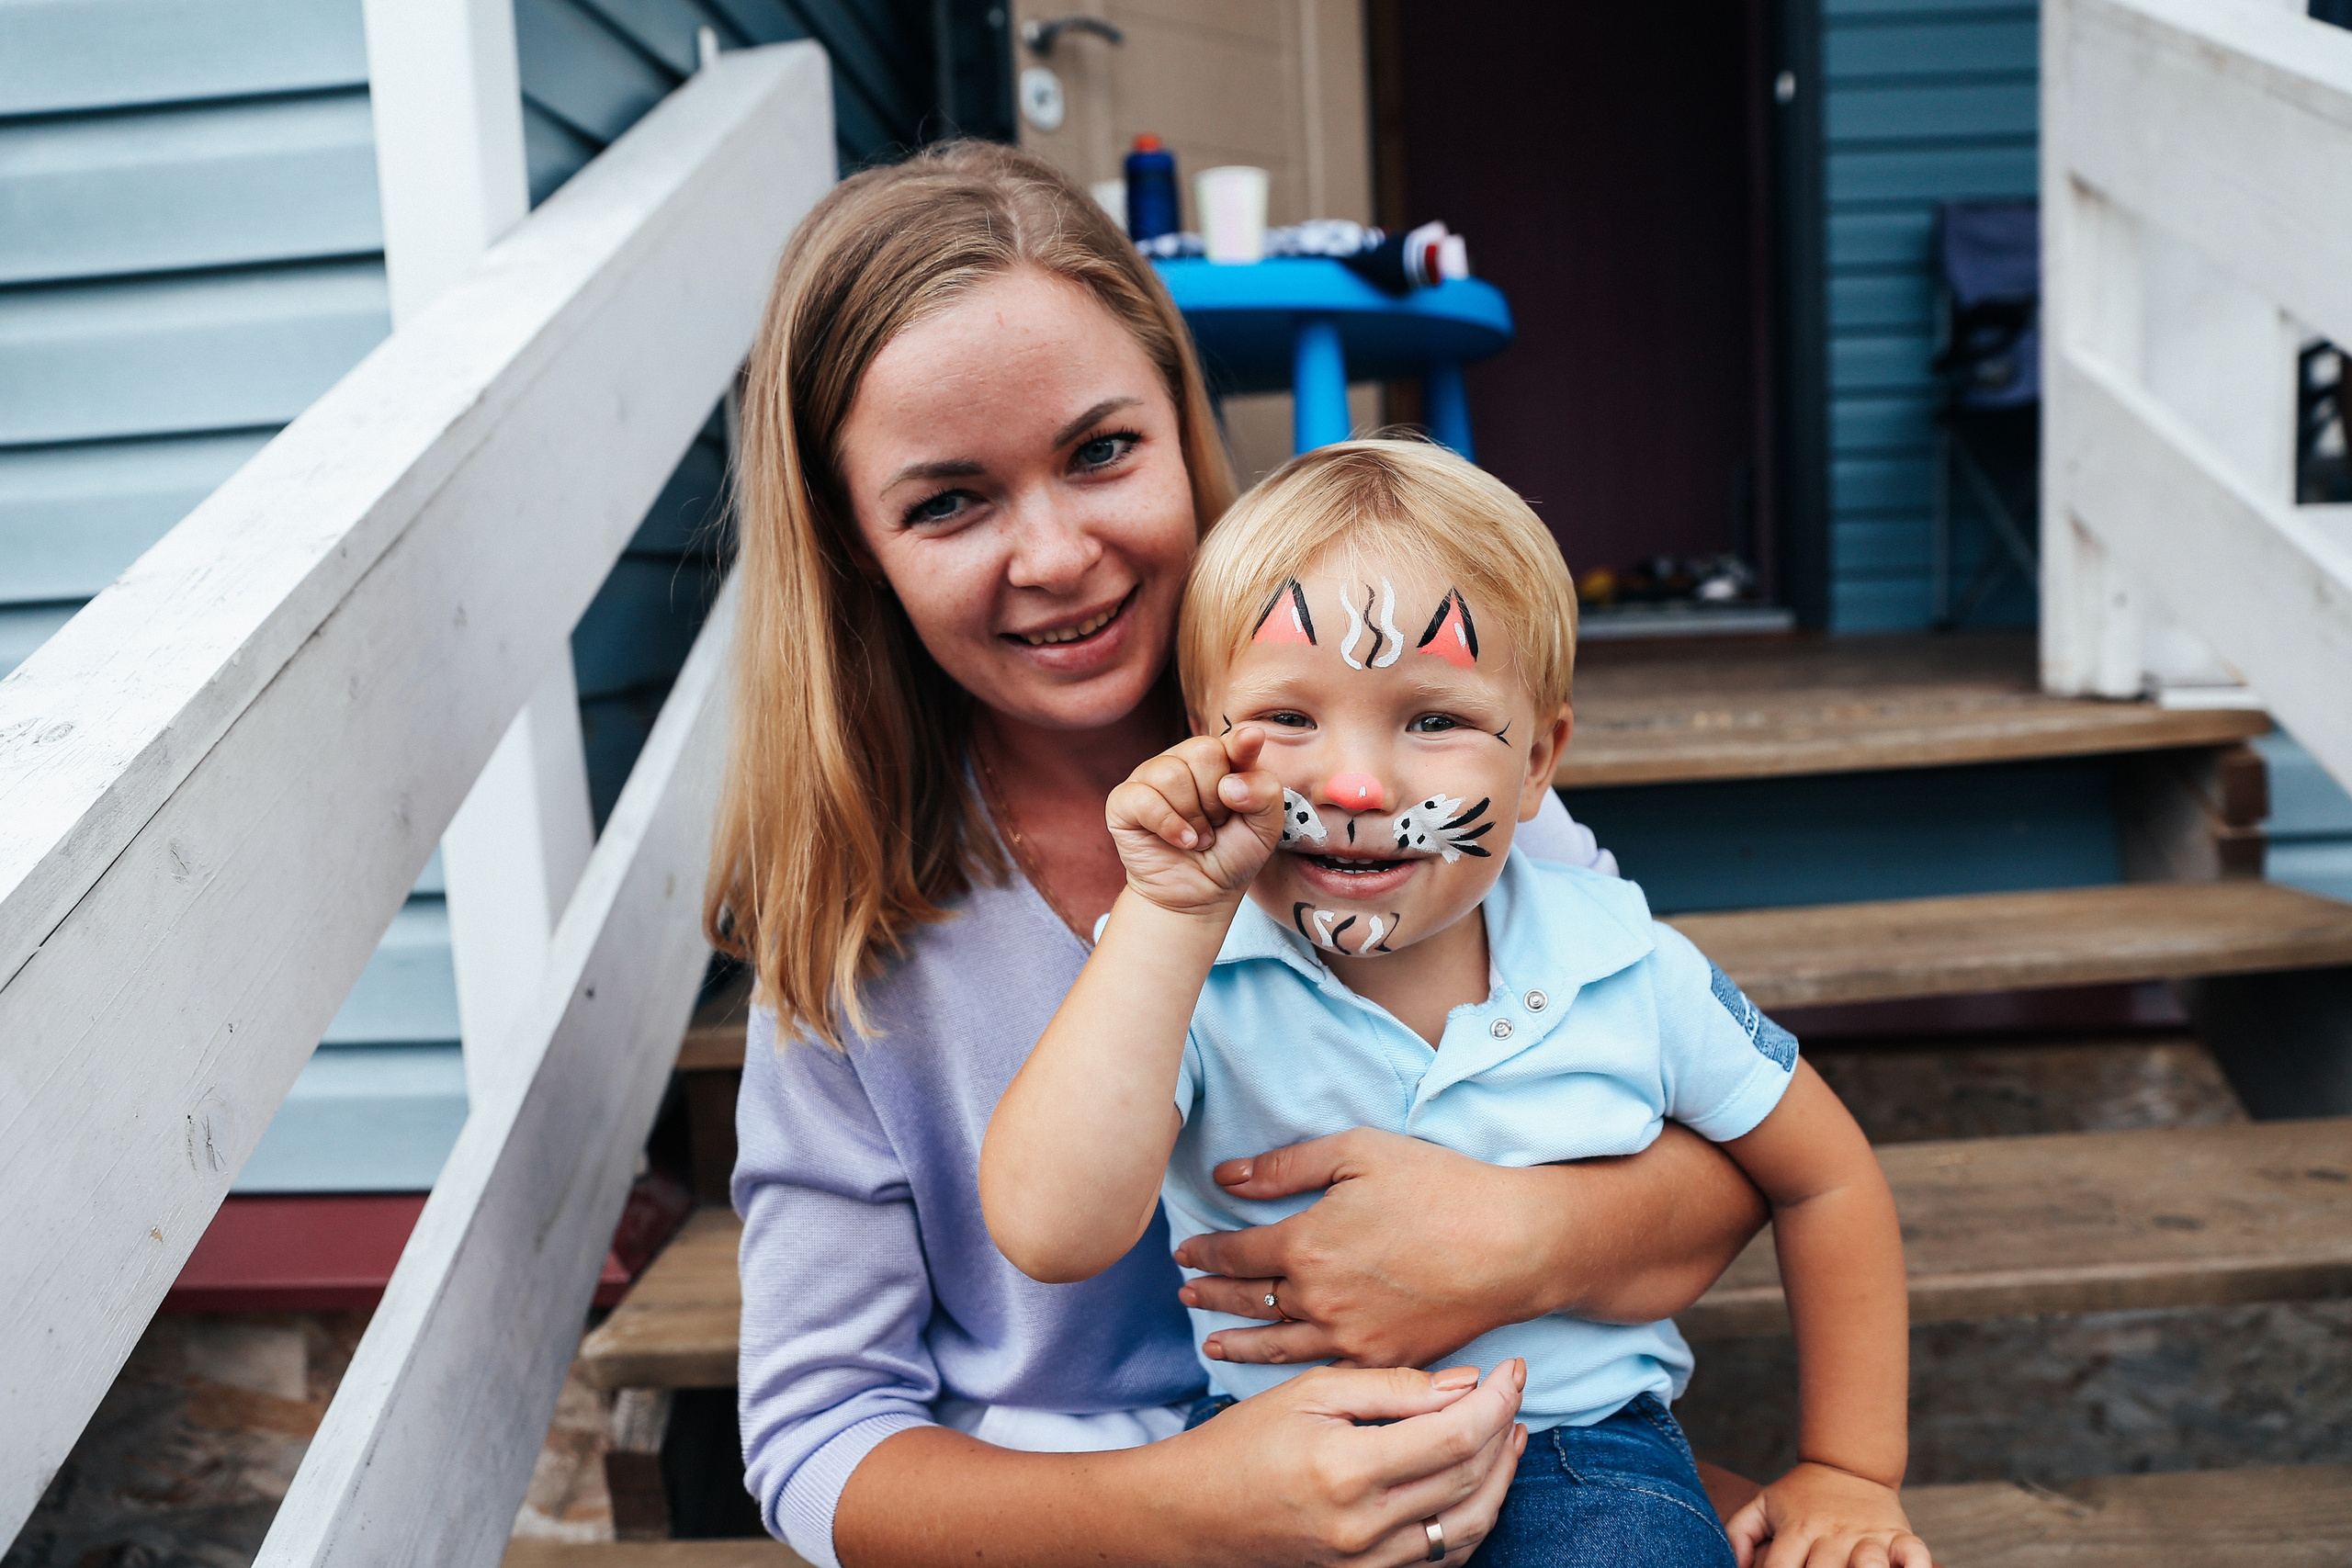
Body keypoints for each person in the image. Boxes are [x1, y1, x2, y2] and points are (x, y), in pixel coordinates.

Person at [708, 140, 1770, 1568]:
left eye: (1101, 452)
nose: (1059, 552)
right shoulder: (854, 926)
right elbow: (817, 1439)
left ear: (1182, 424)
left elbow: (1734, 1159)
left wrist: (1523, 1243)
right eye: (949, 501)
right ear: (857, 549)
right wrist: (1187, 1505)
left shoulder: (1384, 775)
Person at [979, 442, 1930, 1568]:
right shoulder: (1181, 970)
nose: (1355, 785)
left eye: (1431, 720)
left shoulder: (1627, 964)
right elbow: (1051, 1232)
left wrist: (1850, 1468)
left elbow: (1825, 1173)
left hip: (1582, 1461)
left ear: (1538, 762)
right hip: (1274, 1471)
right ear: (1203, 741)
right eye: (1287, 717)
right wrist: (1167, 919)